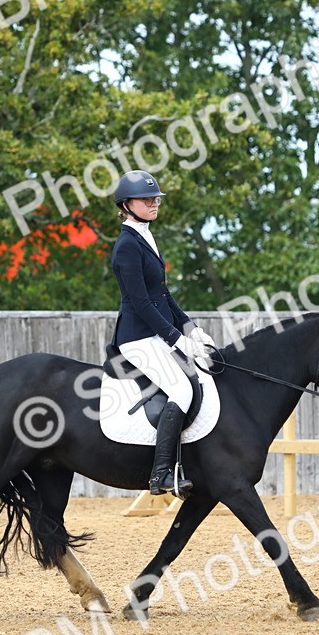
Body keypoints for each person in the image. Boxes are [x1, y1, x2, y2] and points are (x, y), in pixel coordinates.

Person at [109, 170, 215, 498]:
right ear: (126, 205)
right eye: (146, 199)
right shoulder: (127, 246)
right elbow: (141, 303)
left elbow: (163, 295)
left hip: (156, 334)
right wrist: (175, 338)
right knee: (181, 390)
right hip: (137, 338)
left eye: (155, 198)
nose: (154, 203)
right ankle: (161, 475)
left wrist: (191, 329)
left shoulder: (144, 237)